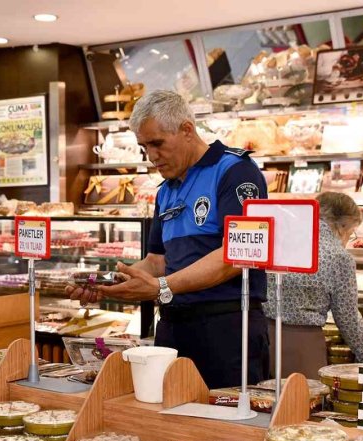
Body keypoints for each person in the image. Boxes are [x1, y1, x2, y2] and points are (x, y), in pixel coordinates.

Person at [67, 90, 270, 389]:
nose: (151, 156)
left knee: (228, 426)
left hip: (227, 328)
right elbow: (158, 260)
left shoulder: (235, 171)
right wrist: (108, 282)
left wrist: (162, 287)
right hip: (173, 328)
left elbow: (235, 255)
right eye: (144, 146)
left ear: (187, 129)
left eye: (157, 143)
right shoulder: (166, 190)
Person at [264, 191, 363, 378]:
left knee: (264, 401)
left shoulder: (280, 239)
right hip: (303, 345)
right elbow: (347, 316)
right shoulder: (338, 256)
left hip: (262, 337)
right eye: (350, 234)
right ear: (342, 226)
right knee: (301, 401)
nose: (347, 241)